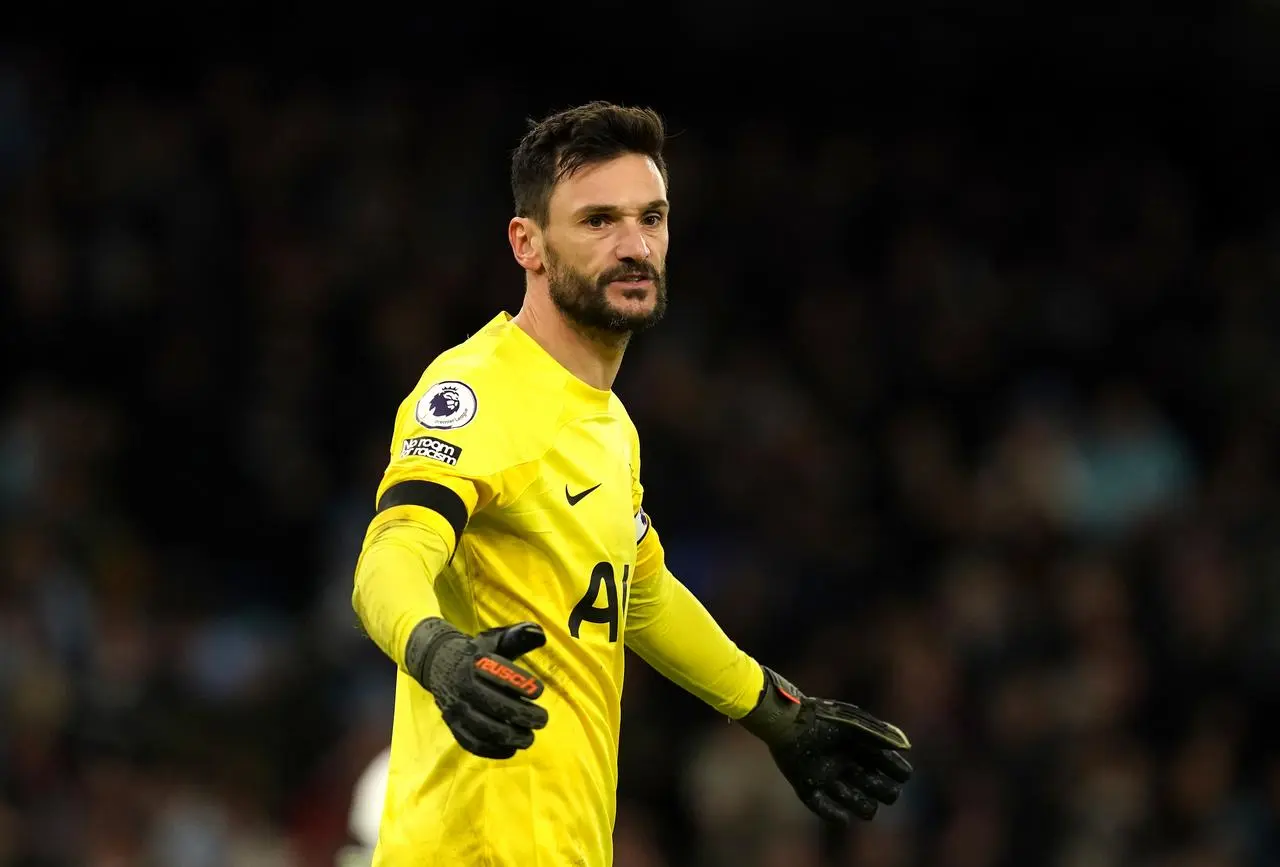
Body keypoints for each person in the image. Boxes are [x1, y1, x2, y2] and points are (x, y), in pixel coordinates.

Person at [351, 101, 913, 866]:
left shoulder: (609, 425)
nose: (633, 245)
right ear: (529, 243)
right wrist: (435, 650)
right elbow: (392, 551)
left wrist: (775, 711)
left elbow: (641, 591)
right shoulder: (475, 390)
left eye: (652, 217)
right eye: (597, 221)